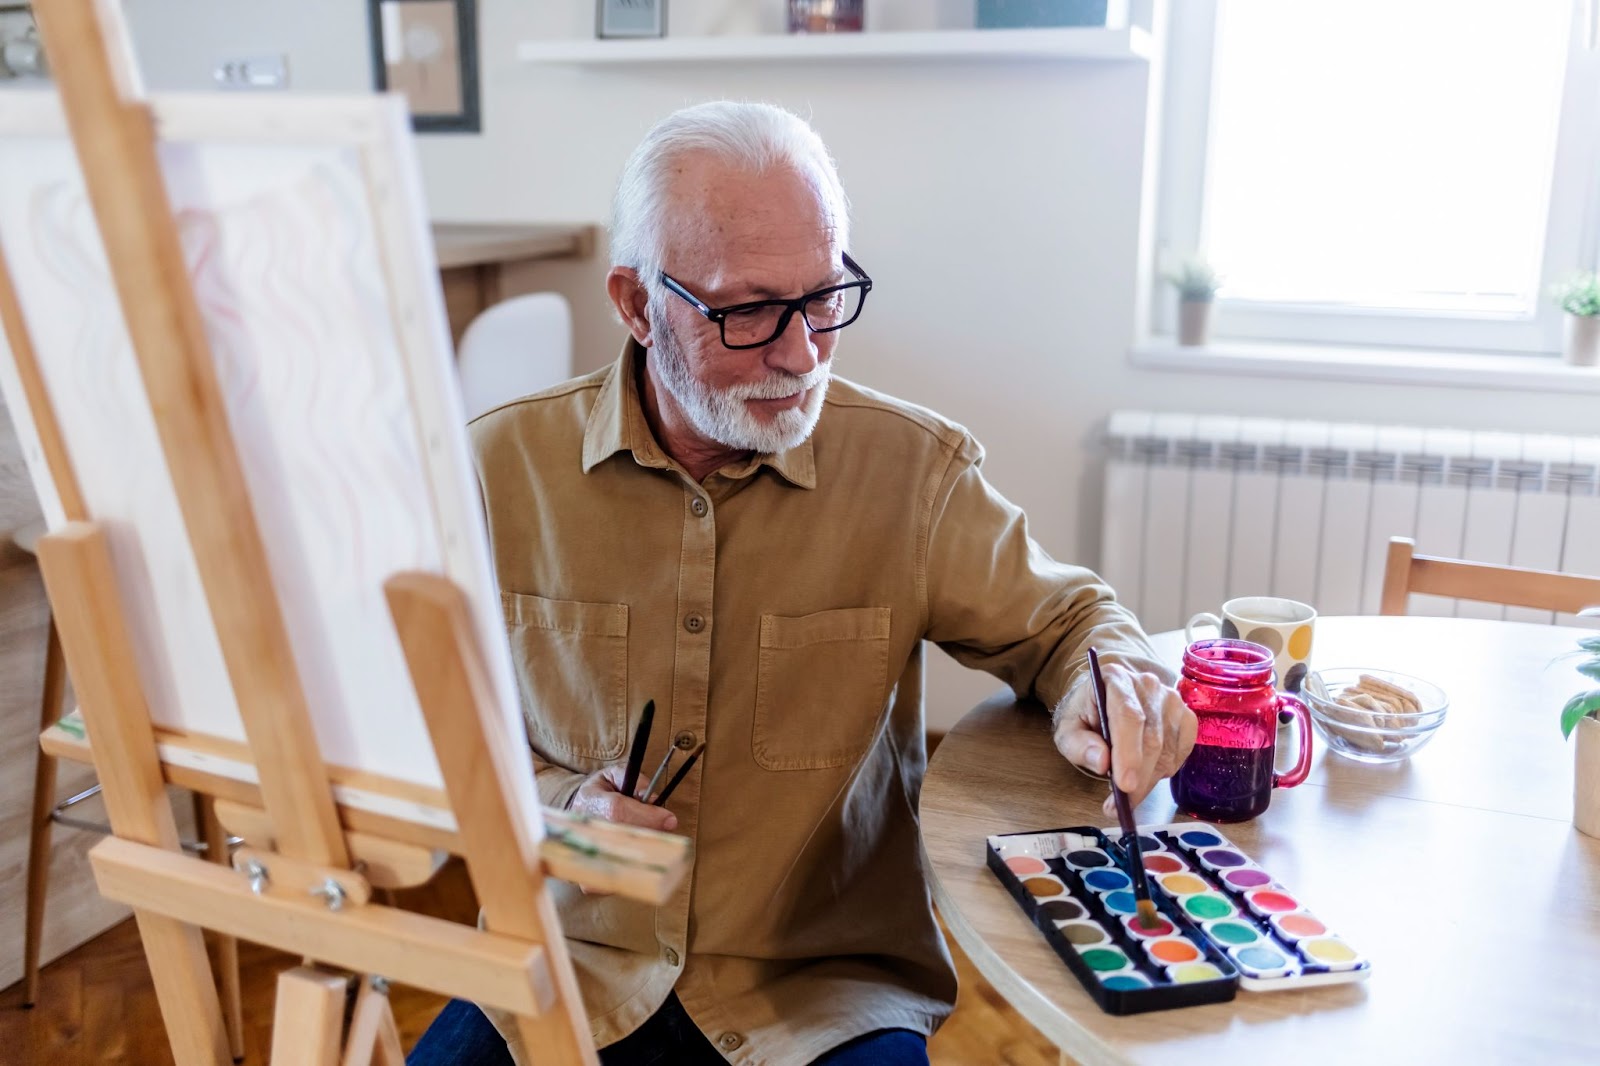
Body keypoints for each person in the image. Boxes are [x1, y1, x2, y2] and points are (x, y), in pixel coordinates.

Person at [408, 101, 1196, 1066]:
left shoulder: (910, 473)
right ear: (634, 304)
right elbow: (419, 735)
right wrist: (561, 811)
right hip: (569, 965)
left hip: (824, 995)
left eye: (824, 297)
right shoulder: (495, 470)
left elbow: (1072, 621)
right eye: (747, 312)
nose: (801, 353)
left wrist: (1111, 684)